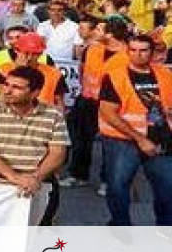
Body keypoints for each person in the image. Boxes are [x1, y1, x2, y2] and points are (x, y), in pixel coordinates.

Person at [0, 65, 69, 225]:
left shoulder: (53, 114)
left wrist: (35, 178)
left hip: (37, 183)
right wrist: (14, 177)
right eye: (7, 84)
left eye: (16, 87)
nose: (7, 91)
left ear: (35, 93)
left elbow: (58, 152)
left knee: (37, 234)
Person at [97, 34, 172, 226]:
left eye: (143, 50)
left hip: (160, 140)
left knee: (167, 187)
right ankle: (121, 226)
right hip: (123, 140)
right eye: (133, 50)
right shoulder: (115, 76)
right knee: (118, 186)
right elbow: (108, 113)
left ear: (152, 52)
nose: (138, 55)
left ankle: (165, 228)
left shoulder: (164, 74)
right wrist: (140, 138)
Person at [65, 17, 128, 188]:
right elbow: (82, 70)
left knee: (111, 144)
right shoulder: (92, 48)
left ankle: (107, 180)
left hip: (113, 105)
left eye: (99, 29)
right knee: (80, 139)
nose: (95, 32)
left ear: (110, 33)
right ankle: (78, 174)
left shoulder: (129, 55)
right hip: (86, 100)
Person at [0, 32, 65, 108]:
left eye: (34, 54)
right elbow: (3, 97)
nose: (29, 58)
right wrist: (20, 69)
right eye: (26, 53)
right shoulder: (3, 70)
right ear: (17, 51)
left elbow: (59, 103)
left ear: (40, 53)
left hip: (44, 116)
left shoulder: (54, 74)